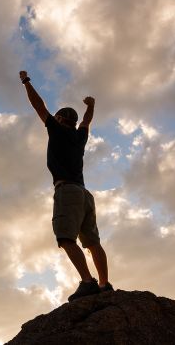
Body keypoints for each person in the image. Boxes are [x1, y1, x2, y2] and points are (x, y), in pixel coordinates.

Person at [18, 70, 113, 301]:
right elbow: (87, 120)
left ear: (60, 119)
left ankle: (88, 282)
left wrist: (26, 81)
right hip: (84, 193)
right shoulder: (80, 136)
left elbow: (38, 105)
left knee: (66, 238)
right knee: (92, 241)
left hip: (67, 191)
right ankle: (104, 284)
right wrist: (91, 104)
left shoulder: (56, 130)